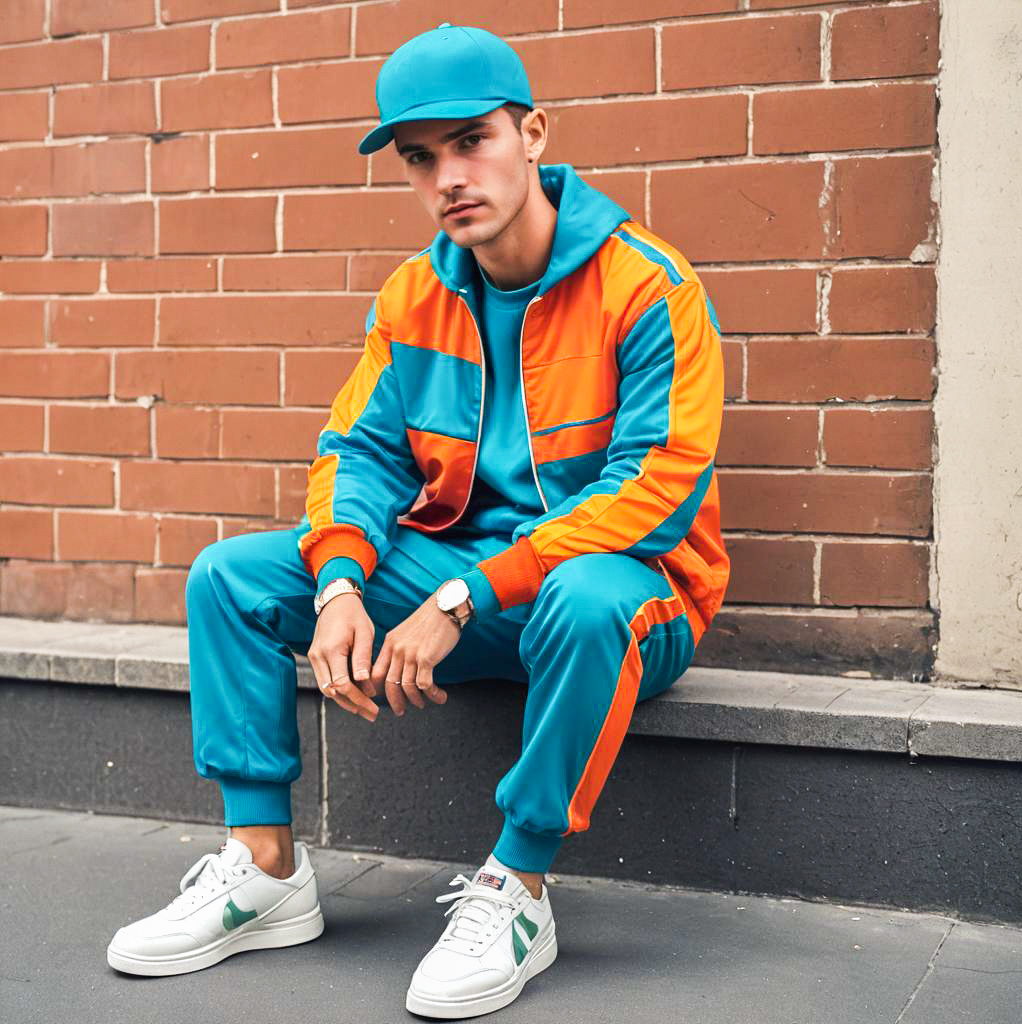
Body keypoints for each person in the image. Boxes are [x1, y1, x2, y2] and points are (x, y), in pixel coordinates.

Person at [106, 22, 730, 1018]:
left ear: (532, 133)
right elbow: (356, 454)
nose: (449, 175)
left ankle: (518, 886)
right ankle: (264, 869)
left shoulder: (647, 287)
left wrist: (462, 591)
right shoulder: (414, 296)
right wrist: (344, 583)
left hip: (626, 598)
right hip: (466, 587)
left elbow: (653, 491)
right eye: (420, 157)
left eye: (471, 140)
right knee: (232, 575)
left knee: (580, 590)